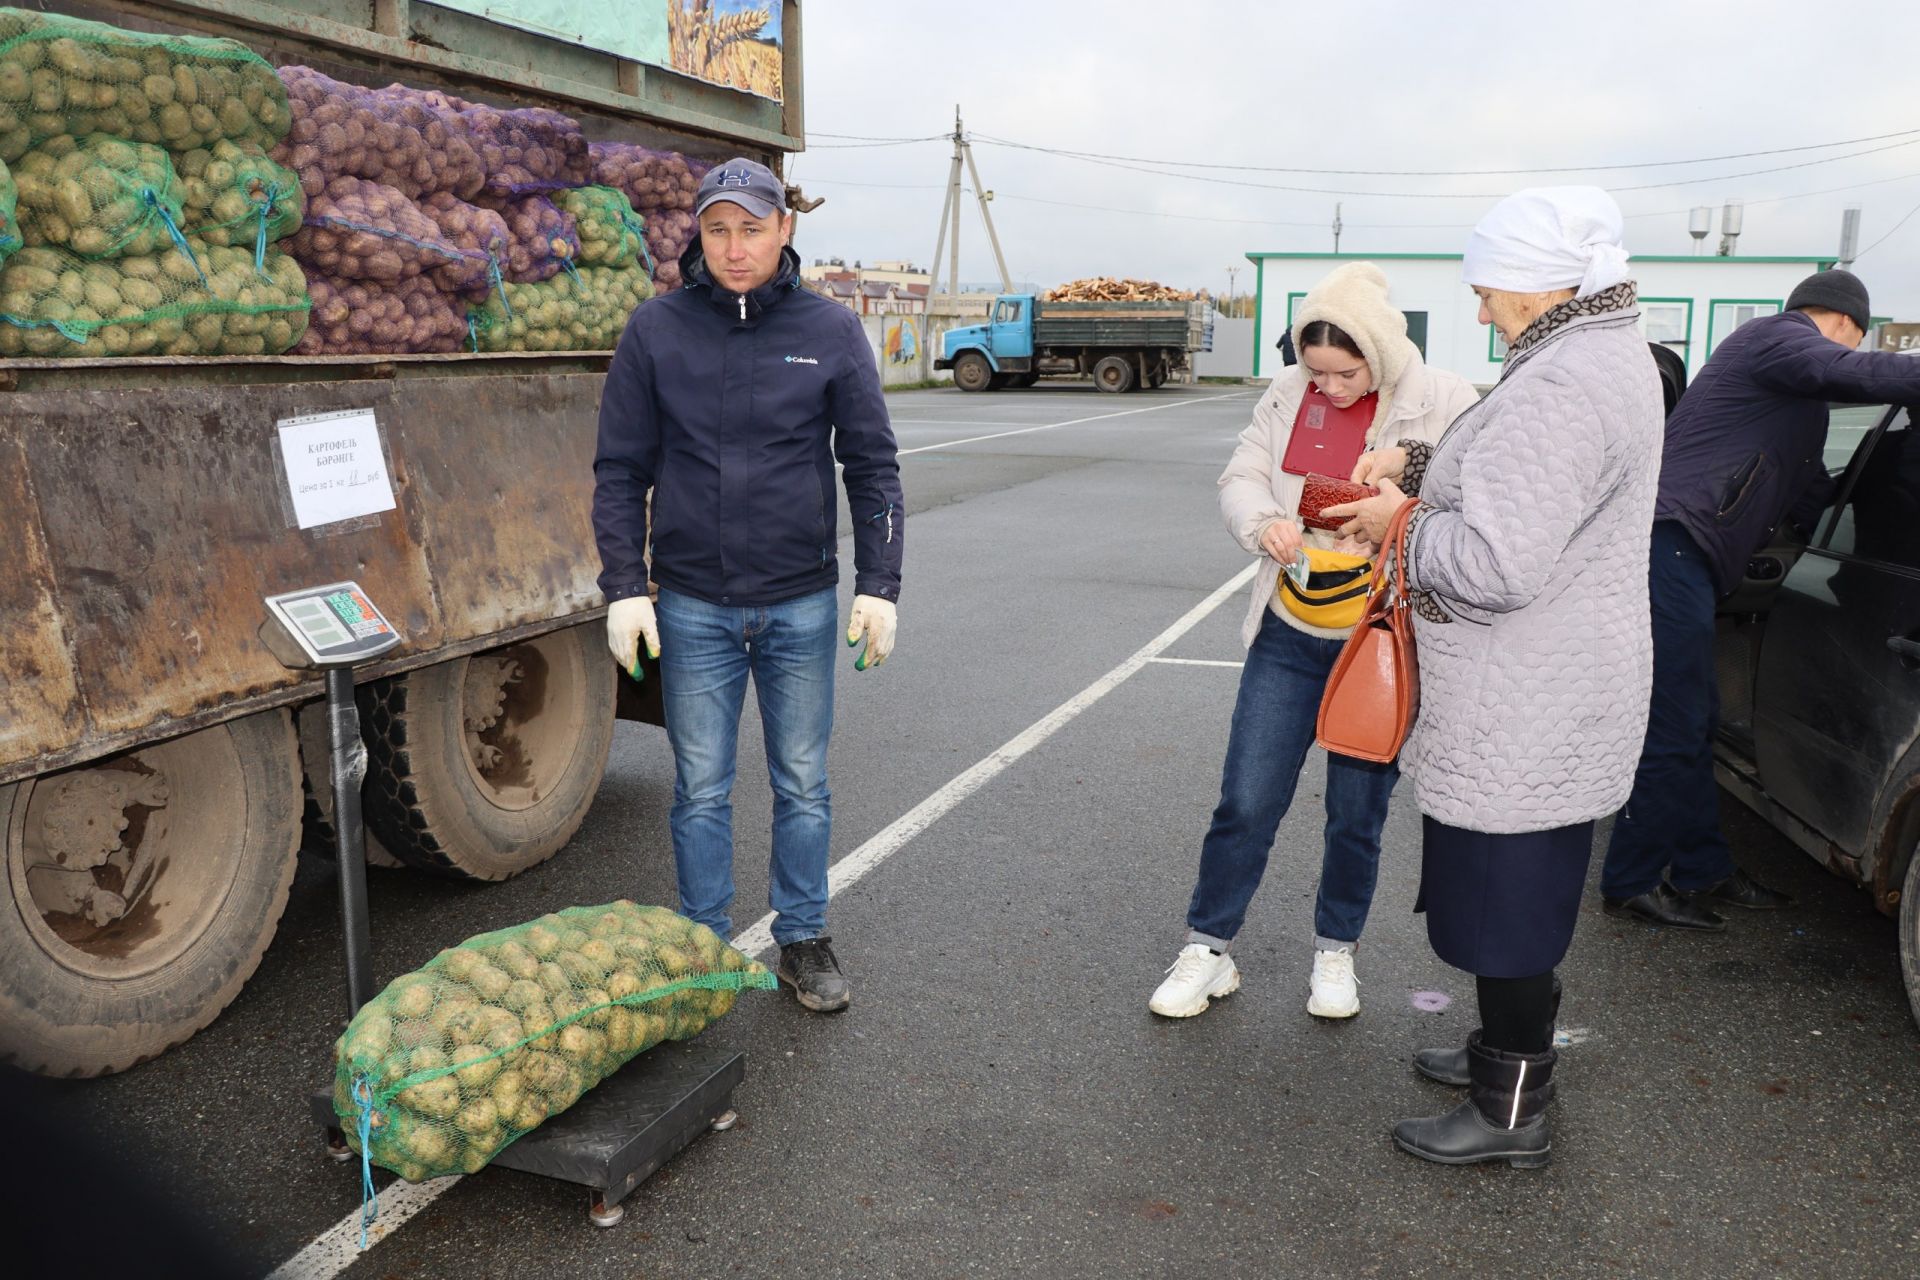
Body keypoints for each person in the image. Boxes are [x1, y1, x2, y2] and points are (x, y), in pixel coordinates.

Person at [1327, 187, 1664, 1166]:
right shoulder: (1599, 352)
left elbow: (1496, 563)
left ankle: (1510, 1107)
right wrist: (1430, 464)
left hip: (1528, 700)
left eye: (1487, 292)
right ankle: (1499, 1050)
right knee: (1522, 896)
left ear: (1538, 281)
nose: (1479, 310)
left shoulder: (1562, 381)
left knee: (1508, 912)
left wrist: (1400, 521)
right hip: (1557, 687)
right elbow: (1529, 484)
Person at [592, 157, 904, 1013]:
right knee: (700, 785)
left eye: (752, 228)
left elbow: (871, 466)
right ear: (699, 231)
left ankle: (802, 936)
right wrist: (625, 584)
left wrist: (881, 583)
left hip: (802, 601)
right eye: (718, 229)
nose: (734, 248)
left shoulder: (831, 330)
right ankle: (701, 943)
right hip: (691, 603)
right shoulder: (657, 330)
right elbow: (620, 469)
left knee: (802, 780)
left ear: (785, 229)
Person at [1148, 262, 1477, 1022]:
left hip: (1381, 643)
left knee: (1357, 812)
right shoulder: (1288, 391)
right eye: (1314, 370)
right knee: (1247, 799)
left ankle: (1336, 951)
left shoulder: (1447, 401)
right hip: (1291, 631)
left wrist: (1400, 500)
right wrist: (1261, 521)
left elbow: (1470, 496)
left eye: (1343, 372)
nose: (1326, 387)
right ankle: (1208, 947)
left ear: (1383, 355)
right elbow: (1244, 473)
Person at [1600, 268, 1920, 930]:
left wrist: (1882, 472)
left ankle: (1704, 871)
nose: (1849, 353)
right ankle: (1630, 880)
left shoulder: (1794, 405)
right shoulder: (1771, 338)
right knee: (1674, 725)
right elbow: (1861, 376)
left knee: (1694, 719)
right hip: (1671, 543)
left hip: (1689, 556)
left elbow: (1815, 499)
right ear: (1842, 322)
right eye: (1851, 341)